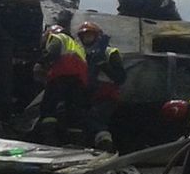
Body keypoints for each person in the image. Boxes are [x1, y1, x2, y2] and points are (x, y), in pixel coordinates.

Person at [36, 24, 90, 146]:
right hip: (79, 82)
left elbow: (52, 53)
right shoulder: (78, 46)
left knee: (48, 107)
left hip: (60, 77)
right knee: (73, 112)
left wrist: (40, 63)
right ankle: (75, 143)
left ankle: (49, 140)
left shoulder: (58, 37)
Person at [78, 21, 126, 152]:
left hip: (107, 95)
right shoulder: (84, 54)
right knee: (85, 121)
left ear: (97, 36)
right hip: (90, 95)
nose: (86, 39)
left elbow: (121, 77)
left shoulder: (110, 52)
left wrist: (104, 66)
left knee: (95, 119)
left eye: (89, 35)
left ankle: (106, 146)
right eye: (84, 36)